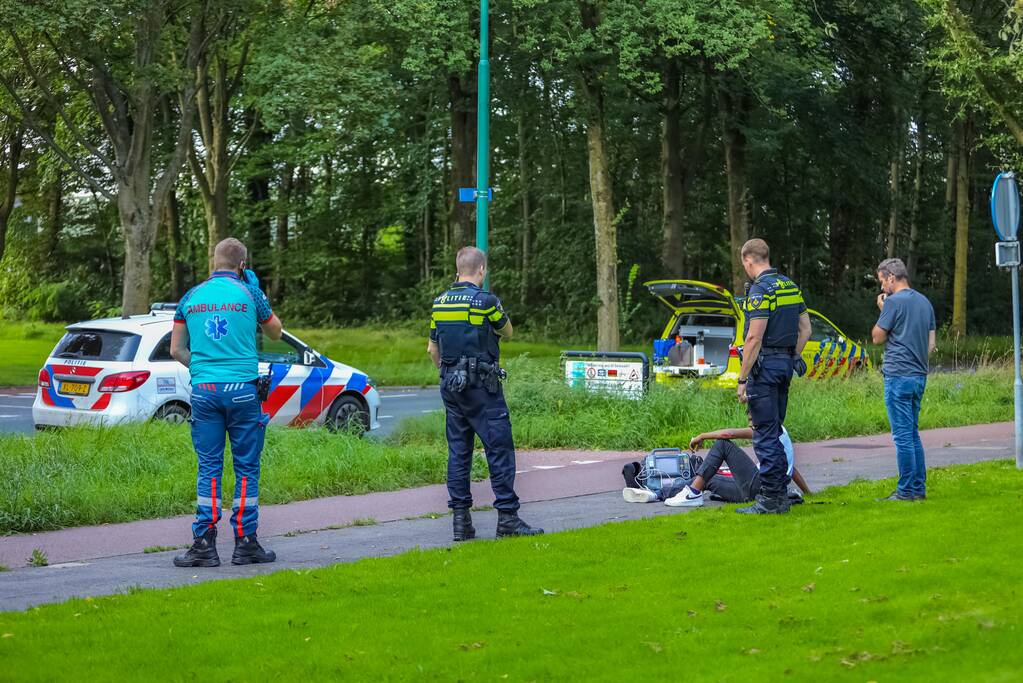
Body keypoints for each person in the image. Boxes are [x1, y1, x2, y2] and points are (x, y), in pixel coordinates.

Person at [170, 238, 284, 567]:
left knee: (209, 467)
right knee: (247, 467)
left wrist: (204, 370)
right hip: (244, 390)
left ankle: (204, 543)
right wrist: (257, 292)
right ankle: (246, 543)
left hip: (205, 390)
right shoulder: (251, 294)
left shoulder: (190, 297)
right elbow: (275, 332)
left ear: (213, 261)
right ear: (243, 266)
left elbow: (176, 350)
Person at [427, 246, 543, 541]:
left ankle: (461, 523)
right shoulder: (485, 301)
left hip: (451, 387)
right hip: (483, 386)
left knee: (459, 452)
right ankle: (507, 519)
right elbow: (508, 332)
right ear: (482, 270)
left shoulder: (439, 304)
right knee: (499, 448)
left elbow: (432, 349)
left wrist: (449, 373)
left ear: (457, 270)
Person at [734, 238, 812, 514]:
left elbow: (754, 336)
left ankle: (771, 500)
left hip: (764, 369)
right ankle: (779, 495)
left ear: (748, 260)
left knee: (765, 435)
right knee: (775, 430)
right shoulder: (789, 286)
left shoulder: (760, 290)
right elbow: (806, 329)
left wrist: (742, 380)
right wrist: (792, 356)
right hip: (784, 367)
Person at [871, 258, 936, 502]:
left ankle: (907, 490)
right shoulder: (925, 302)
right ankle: (918, 487)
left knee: (902, 436)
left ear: (891, 277)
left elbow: (877, 337)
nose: (882, 288)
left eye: (881, 281)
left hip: (898, 375)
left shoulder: (893, 303)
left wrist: (882, 310)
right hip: (919, 375)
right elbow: (931, 344)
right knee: (912, 432)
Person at [664, 419, 811, 507]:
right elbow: (791, 469)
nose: (749, 423)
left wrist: (702, 436)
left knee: (722, 445)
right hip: (761, 492)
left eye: (750, 419)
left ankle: (691, 494)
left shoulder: (766, 429)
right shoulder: (781, 432)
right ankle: (660, 493)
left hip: (759, 486)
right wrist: (808, 493)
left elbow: (728, 434)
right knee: (710, 478)